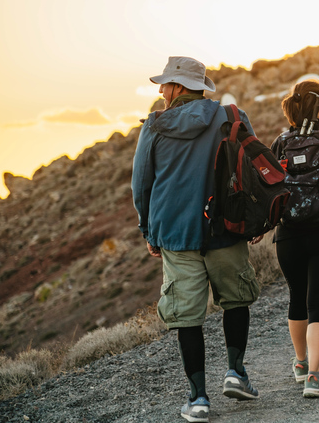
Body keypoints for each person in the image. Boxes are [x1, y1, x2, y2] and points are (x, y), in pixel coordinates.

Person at [132, 56, 261, 423]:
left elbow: (141, 184)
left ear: (177, 88)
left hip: (175, 234)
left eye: (165, 84)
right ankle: (236, 373)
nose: (160, 91)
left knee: (187, 316)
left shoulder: (154, 126)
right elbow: (249, 169)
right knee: (236, 300)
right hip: (224, 228)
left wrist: (148, 230)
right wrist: (251, 222)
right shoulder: (230, 116)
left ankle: (198, 398)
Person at [270, 76, 319, 398]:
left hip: (286, 236)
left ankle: (301, 364)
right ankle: (314, 377)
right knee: (318, 304)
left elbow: (270, 187)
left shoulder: (280, 141)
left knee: (296, 298)